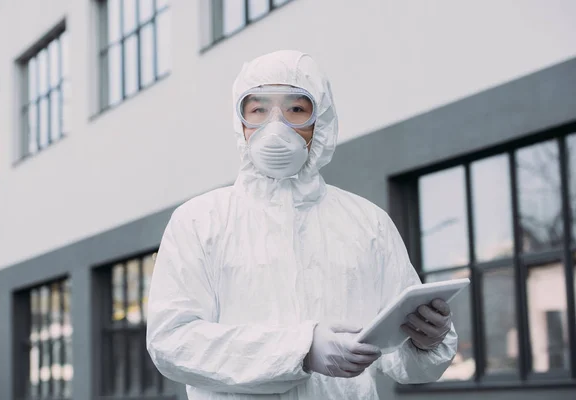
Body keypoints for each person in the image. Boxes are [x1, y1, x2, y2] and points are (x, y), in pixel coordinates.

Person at [146, 50, 458, 399]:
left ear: (320, 119)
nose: (275, 126)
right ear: (242, 122)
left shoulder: (368, 223)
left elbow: (401, 361)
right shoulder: (199, 221)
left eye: (296, 110)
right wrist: (301, 349)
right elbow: (173, 343)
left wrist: (425, 341)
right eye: (258, 110)